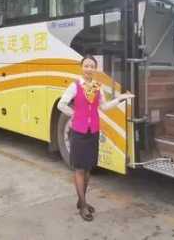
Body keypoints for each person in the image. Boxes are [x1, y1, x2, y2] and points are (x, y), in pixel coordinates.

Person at [57, 55, 134, 221]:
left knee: (88, 168)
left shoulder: (97, 86)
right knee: (79, 169)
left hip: (93, 132)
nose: (89, 69)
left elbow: (104, 107)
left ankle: (81, 201)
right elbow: (61, 104)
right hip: (78, 132)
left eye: (92, 66)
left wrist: (120, 98)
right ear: (81, 67)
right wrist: (75, 115)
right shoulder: (75, 85)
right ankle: (83, 205)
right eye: (86, 65)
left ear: (95, 69)